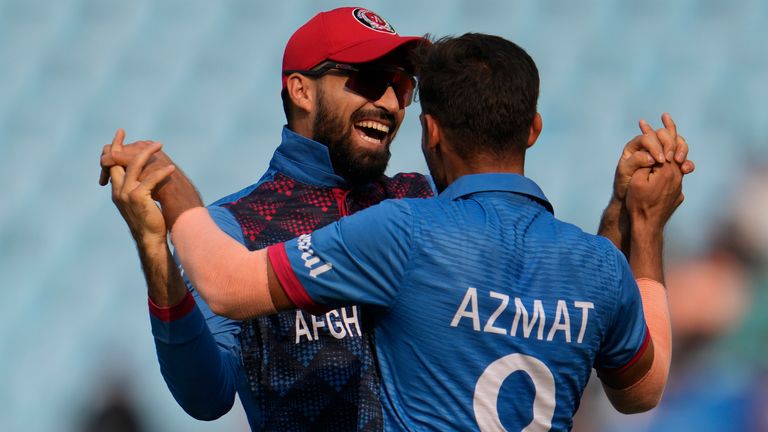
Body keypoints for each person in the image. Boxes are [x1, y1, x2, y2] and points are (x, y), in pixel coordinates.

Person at [106, 33, 691, 431]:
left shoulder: (415, 214)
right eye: (366, 78)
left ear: (429, 130)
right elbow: (206, 397)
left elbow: (226, 282)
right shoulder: (243, 222)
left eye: (402, 85)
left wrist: (173, 197)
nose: (388, 98)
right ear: (300, 89)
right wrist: (636, 220)